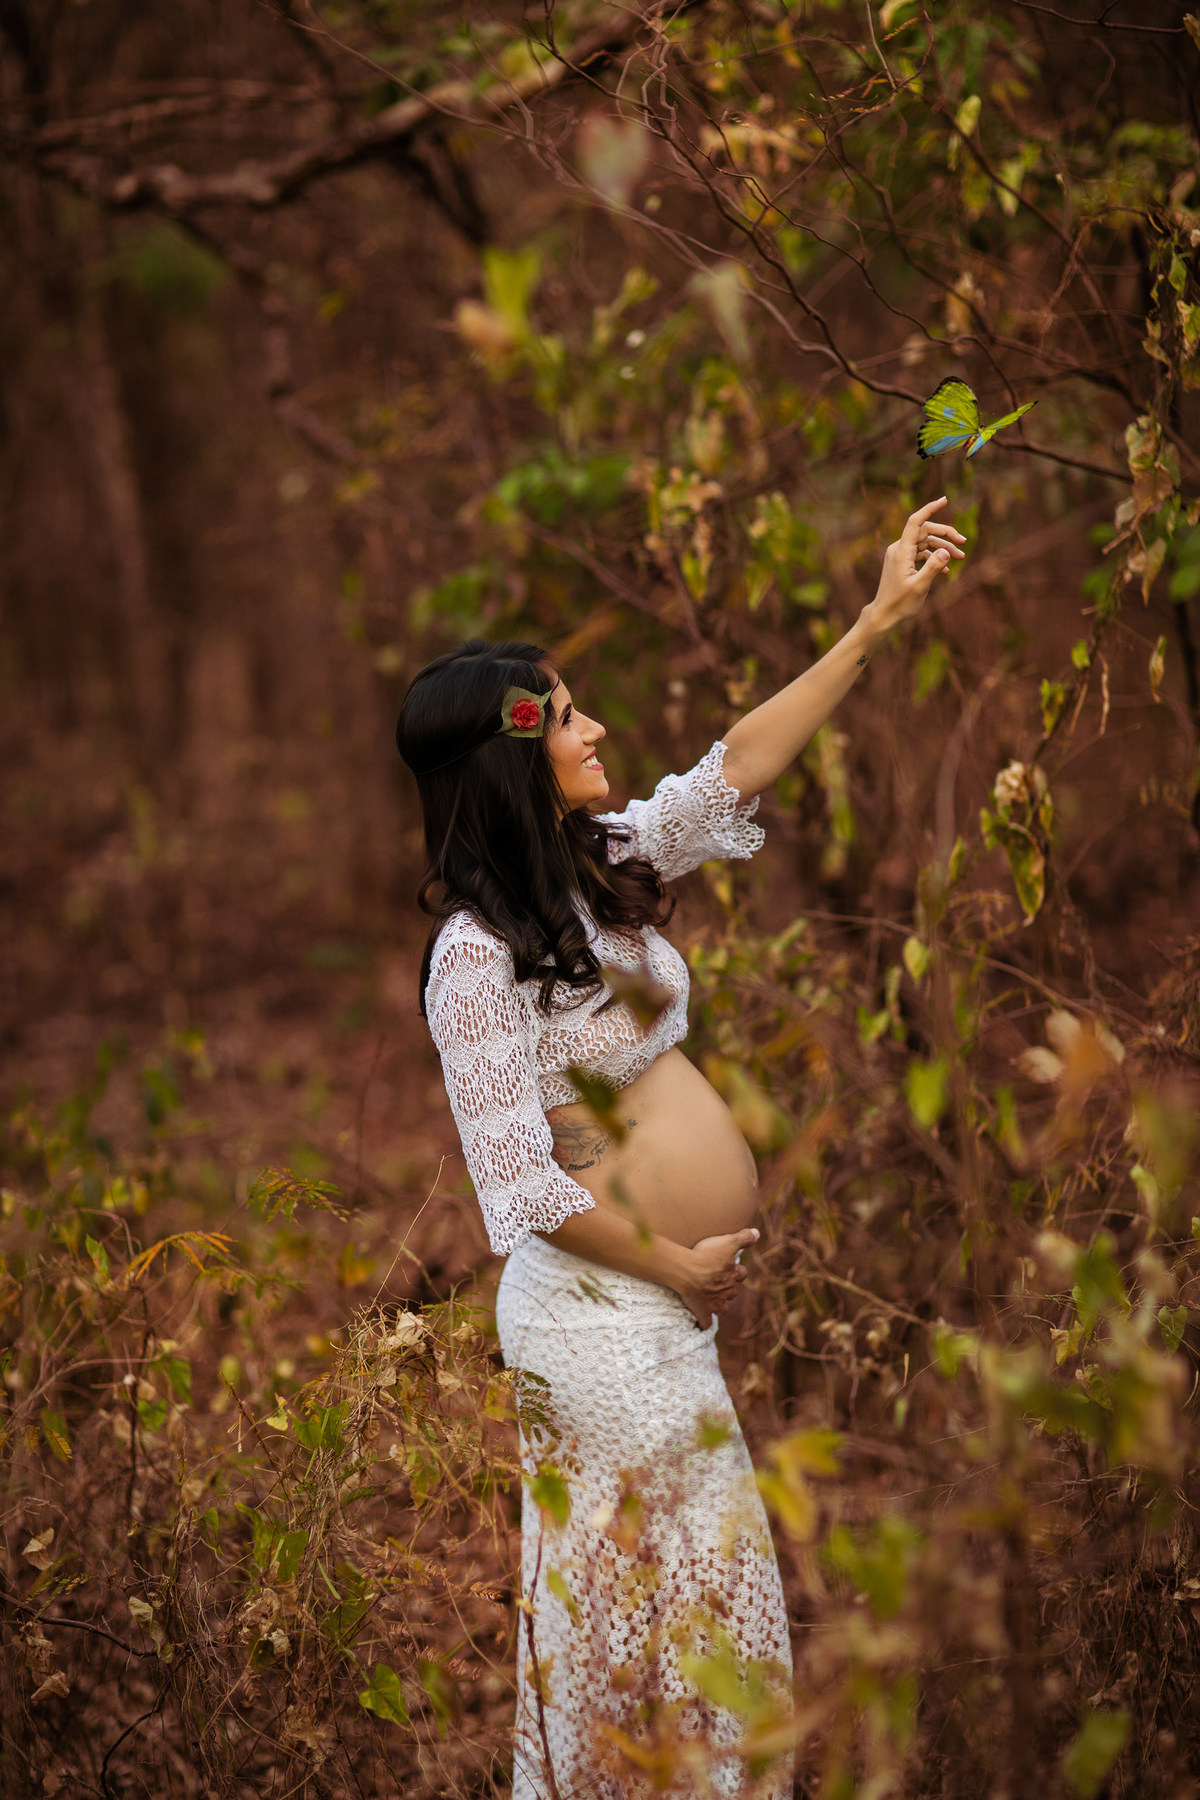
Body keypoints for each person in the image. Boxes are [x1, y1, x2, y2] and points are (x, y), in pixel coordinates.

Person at [396, 499, 966, 1799]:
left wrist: (876, 621)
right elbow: (521, 1186)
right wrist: (676, 1265)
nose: (597, 730)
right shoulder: (472, 962)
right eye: (569, 715)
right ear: (510, 755)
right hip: (597, 1316)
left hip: (660, 1305)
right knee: (677, 1622)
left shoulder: (596, 864)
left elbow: (734, 774)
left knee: (694, 1620)